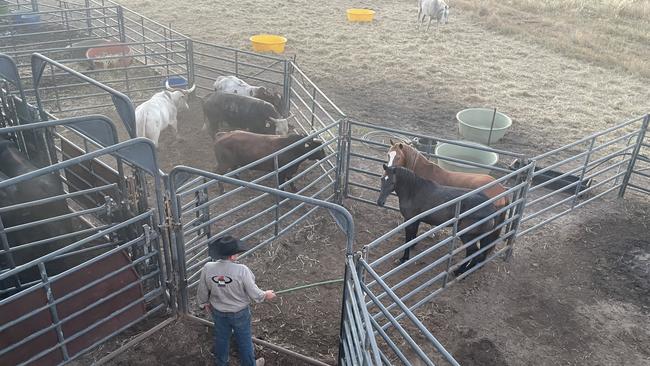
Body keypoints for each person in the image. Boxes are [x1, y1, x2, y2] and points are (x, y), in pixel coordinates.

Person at [197, 235, 276, 366]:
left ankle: (221, 363)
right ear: (233, 256)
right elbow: (253, 291)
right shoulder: (242, 270)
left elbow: (202, 289)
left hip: (218, 312)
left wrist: (203, 302)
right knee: (244, 340)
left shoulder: (208, 267)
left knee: (221, 338)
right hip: (239, 313)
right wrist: (265, 294)